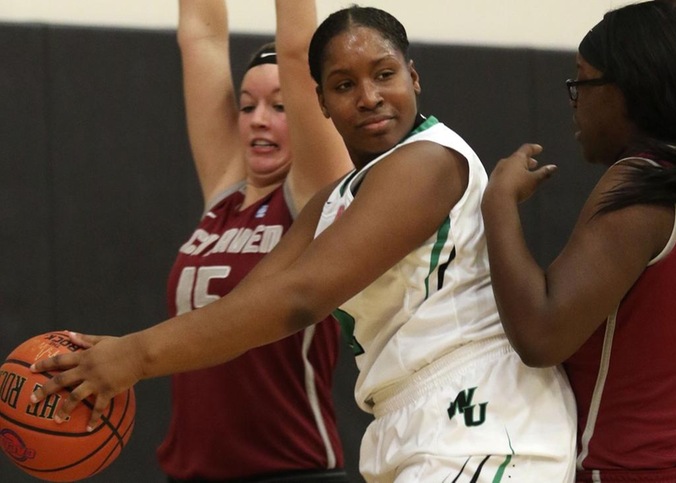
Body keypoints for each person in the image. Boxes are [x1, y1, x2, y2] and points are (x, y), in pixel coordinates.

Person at [31, 3, 577, 482]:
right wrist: (118, 351)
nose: (368, 97)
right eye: (344, 85)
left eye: (384, 75)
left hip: (480, 411)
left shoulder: (429, 160)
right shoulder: (334, 199)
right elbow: (249, 305)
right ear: (321, 102)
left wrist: (135, 356)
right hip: (405, 418)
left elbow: (301, 299)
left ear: (413, 76)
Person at [480, 1, 676, 482]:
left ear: (629, 90)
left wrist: (497, 204)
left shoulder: (640, 184)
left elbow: (540, 335)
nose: (573, 99)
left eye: (581, 81)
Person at [157, 1, 352, 481]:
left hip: (289, 471)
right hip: (189, 473)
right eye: (247, 106)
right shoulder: (225, 191)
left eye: (281, 107)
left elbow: (297, 49)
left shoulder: (315, 193)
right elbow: (200, 36)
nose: (258, 119)